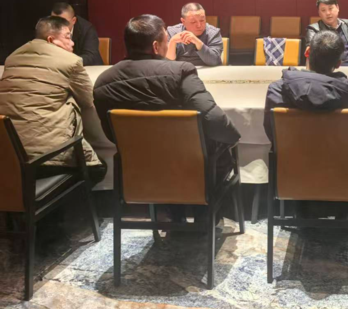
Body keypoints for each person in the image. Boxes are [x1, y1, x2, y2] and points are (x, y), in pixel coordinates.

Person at [94, 15, 240, 185]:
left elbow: (111, 134)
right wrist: (233, 137)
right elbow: (213, 118)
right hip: (188, 169)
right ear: (156, 46)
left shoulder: (103, 82)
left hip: (136, 172)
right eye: (166, 40)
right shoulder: (179, 72)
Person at [0, 16, 107, 184]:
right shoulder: (71, 61)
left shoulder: (12, 58)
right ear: (51, 40)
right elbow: (87, 101)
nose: (72, 43)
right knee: (99, 169)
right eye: (67, 37)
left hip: (9, 159)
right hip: (47, 160)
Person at [264, 30, 348, 149]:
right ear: (338, 64)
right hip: (340, 160)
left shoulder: (277, 91)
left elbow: (272, 133)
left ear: (307, 52)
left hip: (290, 160)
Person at [166, 2, 223, 67]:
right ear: (183, 21)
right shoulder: (173, 32)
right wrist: (172, 41)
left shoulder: (213, 33)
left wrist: (196, 41)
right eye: (193, 22)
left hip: (208, 70)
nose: (199, 25)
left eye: (202, 20)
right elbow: (168, 63)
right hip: (181, 70)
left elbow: (214, 61)